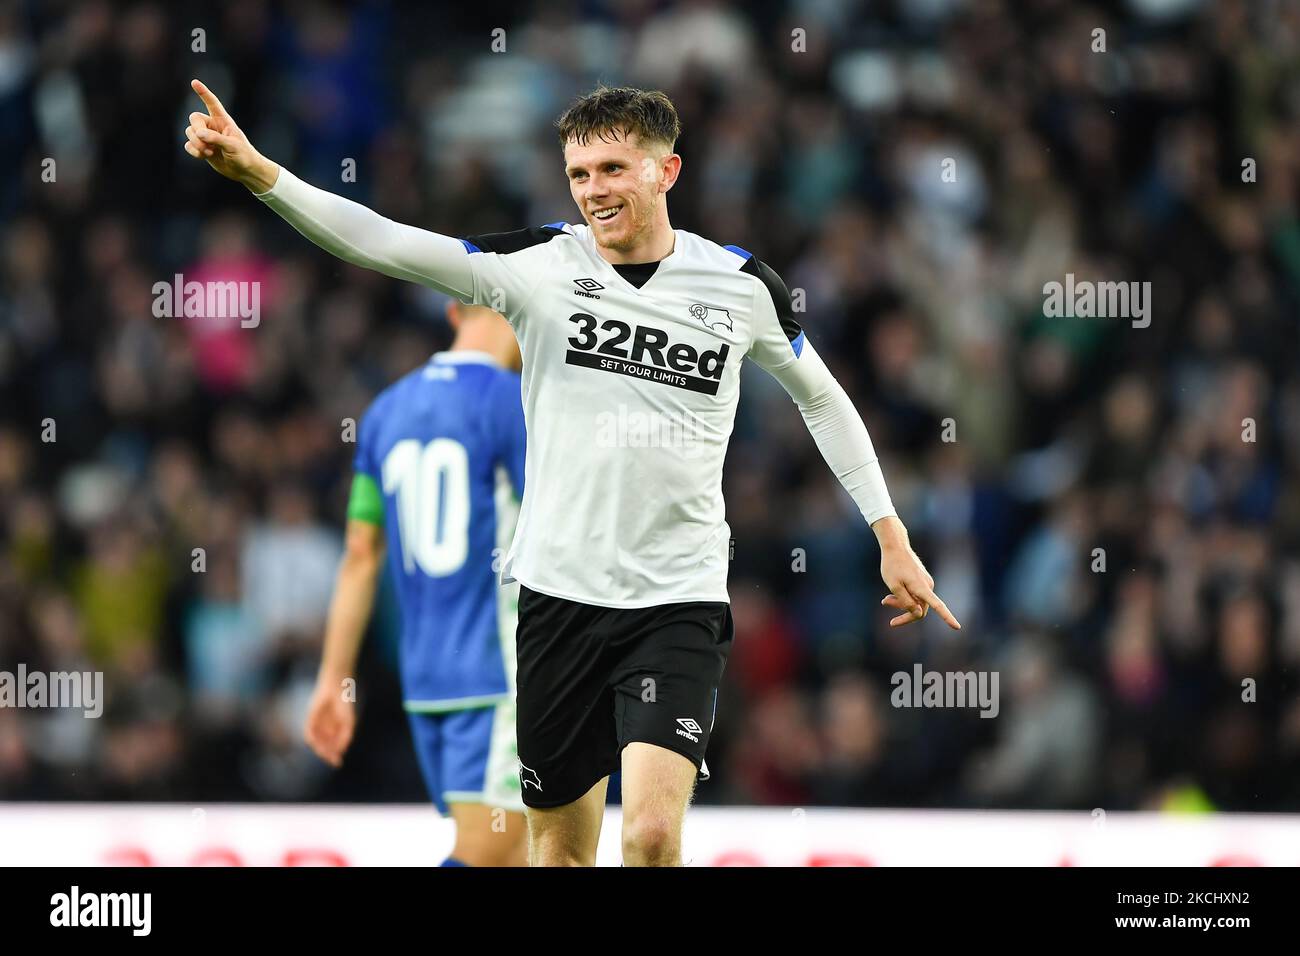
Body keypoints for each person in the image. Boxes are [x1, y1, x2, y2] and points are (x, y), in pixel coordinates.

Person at [185, 79, 959, 867]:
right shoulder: (538, 267)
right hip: (556, 600)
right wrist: (261, 174)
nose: (594, 191)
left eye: (614, 170)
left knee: (652, 837)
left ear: (668, 171)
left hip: (676, 598)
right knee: (559, 855)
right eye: (580, 175)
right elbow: (383, 241)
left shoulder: (740, 285)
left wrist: (889, 534)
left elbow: (824, 402)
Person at [303, 299, 528, 867]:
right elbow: (563, 529)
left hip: (428, 681)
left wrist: (333, 679)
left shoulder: (384, 411)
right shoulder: (515, 405)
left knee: (517, 855)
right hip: (503, 675)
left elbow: (360, 553)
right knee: (489, 851)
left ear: (455, 311)